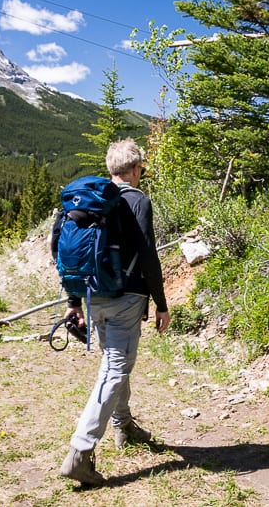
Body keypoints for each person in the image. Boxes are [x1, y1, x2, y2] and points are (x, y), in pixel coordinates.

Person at [57, 138, 170, 485]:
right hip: (126, 298)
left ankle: (125, 426)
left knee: (112, 363)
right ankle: (80, 449)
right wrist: (161, 303)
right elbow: (148, 256)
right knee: (116, 367)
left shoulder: (88, 202)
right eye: (141, 168)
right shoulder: (138, 201)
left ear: (111, 169)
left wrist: (73, 301)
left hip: (93, 296)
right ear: (135, 169)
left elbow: (62, 252)